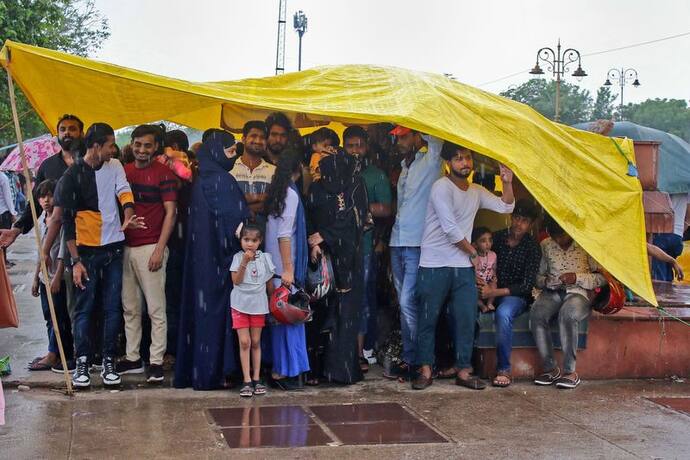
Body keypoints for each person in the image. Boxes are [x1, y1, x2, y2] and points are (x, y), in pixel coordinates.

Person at [412, 142, 515, 391]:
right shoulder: (441, 187)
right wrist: (475, 254)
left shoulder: (476, 191)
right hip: (434, 263)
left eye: (467, 158)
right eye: (458, 159)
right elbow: (450, 230)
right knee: (428, 317)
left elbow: (506, 206)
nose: (464, 163)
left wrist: (508, 182)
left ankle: (464, 370)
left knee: (467, 317)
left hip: (462, 265)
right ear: (448, 164)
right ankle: (425, 369)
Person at [59, 122, 143, 388]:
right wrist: (75, 262)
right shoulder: (72, 176)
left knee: (111, 307)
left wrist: (128, 214)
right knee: (84, 309)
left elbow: (124, 191)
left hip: (114, 248)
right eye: (109, 145)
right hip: (84, 252)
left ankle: (108, 360)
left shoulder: (115, 165)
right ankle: (82, 361)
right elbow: (67, 223)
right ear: (96, 146)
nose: (113, 149)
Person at [174, 132, 249, 390]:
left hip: (201, 262)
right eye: (229, 152)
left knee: (202, 313)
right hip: (222, 262)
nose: (233, 157)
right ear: (217, 152)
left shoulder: (199, 182)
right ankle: (218, 371)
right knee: (219, 315)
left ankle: (200, 371)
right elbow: (237, 226)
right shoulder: (224, 182)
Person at [116, 125, 177, 383]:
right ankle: (132, 358)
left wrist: (160, 249)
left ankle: (155, 361)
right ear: (132, 144)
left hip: (151, 247)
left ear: (156, 147)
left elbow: (171, 212)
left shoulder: (164, 173)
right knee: (130, 307)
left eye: (147, 145)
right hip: (126, 247)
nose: (142, 150)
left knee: (156, 309)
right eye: (138, 144)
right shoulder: (124, 172)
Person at [306, 152, 368, 385]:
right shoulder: (316, 188)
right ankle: (315, 370)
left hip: (348, 260)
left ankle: (341, 370)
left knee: (346, 316)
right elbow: (309, 214)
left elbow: (354, 219)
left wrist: (325, 235)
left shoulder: (355, 185)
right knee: (319, 313)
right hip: (321, 259)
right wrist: (313, 242)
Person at [386, 126, 443, 379]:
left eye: (404, 136)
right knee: (404, 302)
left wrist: (421, 127)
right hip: (397, 241)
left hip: (417, 243)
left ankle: (417, 360)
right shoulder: (405, 165)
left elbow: (438, 139)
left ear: (417, 136)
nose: (399, 141)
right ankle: (413, 359)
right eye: (397, 137)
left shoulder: (431, 161)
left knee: (408, 301)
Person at [530, 216, 605, 389]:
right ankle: (550, 369)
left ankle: (570, 371)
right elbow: (538, 278)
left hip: (578, 293)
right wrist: (545, 282)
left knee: (568, 315)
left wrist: (576, 277)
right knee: (537, 314)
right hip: (553, 292)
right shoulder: (546, 245)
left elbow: (602, 278)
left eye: (561, 236)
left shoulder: (585, 244)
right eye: (554, 236)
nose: (558, 240)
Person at [343, 126, 392, 371]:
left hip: (364, 248)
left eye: (359, 145)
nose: (355, 151)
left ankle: (362, 350)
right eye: (350, 146)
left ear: (367, 147)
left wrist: (360, 207)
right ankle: (342, 349)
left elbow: (386, 209)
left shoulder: (377, 175)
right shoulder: (336, 172)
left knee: (362, 299)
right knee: (340, 299)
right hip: (339, 247)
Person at [477, 200, 541, 387]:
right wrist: (480, 283)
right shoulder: (495, 239)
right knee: (462, 304)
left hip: (515, 297)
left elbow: (527, 285)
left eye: (525, 221)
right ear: (511, 218)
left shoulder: (532, 247)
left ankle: (503, 368)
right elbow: (478, 259)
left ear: (531, 225)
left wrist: (494, 291)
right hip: (488, 291)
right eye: (517, 218)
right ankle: (462, 365)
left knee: (503, 313)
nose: (519, 224)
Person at [0, 114, 84, 250]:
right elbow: (35, 203)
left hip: (92, 236)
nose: (66, 132)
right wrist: (16, 230)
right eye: (62, 129)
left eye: (72, 129)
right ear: (57, 134)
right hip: (57, 236)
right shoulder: (48, 166)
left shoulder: (92, 163)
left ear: (82, 134)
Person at [264, 151, 311, 391]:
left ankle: (279, 368)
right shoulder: (291, 194)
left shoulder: (277, 192)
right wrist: (289, 270)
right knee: (291, 318)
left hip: (273, 266)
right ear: (298, 169)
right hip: (284, 266)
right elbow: (285, 235)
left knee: (278, 319)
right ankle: (287, 371)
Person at [28, 180, 73, 371]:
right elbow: (41, 252)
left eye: (50, 195)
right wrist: (35, 278)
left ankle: (59, 353)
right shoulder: (41, 221)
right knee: (49, 316)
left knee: (60, 316)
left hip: (59, 277)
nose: (46, 200)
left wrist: (57, 276)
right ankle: (52, 351)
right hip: (45, 277)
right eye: (42, 196)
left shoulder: (60, 220)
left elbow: (64, 250)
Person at [230, 224, 275, 397]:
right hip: (239, 304)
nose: (250, 244)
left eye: (254, 240)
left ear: (260, 241)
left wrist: (272, 303)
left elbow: (269, 284)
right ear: (240, 240)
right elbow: (236, 281)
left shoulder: (266, 259)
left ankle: (257, 377)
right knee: (244, 342)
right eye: (246, 239)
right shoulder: (237, 258)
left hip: (259, 305)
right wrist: (244, 262)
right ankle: (246, 379)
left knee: (256, 341)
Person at [230, 121, 275, 224]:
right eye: (253, 136)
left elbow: (274, 204)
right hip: (233, 231)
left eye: (262, 137)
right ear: (243, 139)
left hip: (265, 234)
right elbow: (226, 202)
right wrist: (259, 199)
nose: (258, 141)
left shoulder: (274, 172)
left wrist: (243, 203)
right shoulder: (230, 169)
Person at [651, 193, 688, 281]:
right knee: (668, 274)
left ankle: (662, 294)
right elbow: (688, 216)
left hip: (661, 233)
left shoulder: (661, 185)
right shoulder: (685, 186)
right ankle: (668, 293)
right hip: (677, 236)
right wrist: (679, 233)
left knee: (659, 278)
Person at [472, 227, 497, 313]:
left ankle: (490, 303)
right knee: (471, 291)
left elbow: (494, 268)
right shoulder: (474, 256)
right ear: (475, 245)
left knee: (494, 285)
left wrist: (494, 277)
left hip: (488, 281)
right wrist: (477, 281)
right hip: (477, 283)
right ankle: (482, 306)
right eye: (483, 241)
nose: (488, 243)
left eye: (490, 240)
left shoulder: (493, 255)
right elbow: (472, 272)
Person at [0, 172, 17, 266]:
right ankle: (3, 261)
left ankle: (3, 261)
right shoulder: (3, 177)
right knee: (4, 239)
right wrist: (13, 212)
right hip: (3, 212)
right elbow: (8, 196)